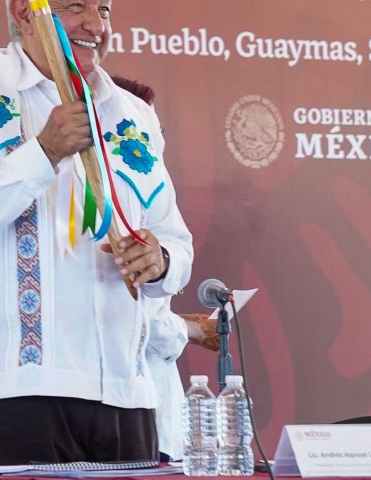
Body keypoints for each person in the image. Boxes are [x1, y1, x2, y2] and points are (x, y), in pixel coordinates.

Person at [0, 0, 194, 464]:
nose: (96, 24)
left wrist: (158, 259)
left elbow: (175, 241)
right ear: (25, 10)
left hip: (126, 388)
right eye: (75, 6)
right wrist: (44, 150)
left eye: (104, 8)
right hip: (15, 387)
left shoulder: (130, 114)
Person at [111, 75, 219, 461]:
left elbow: (152, 301)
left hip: (153, 401)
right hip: (124, 406)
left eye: (155, 129)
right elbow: (126, 315)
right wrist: (190, 329)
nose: (153, 140)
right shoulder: (106, 208)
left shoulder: (150, 202)